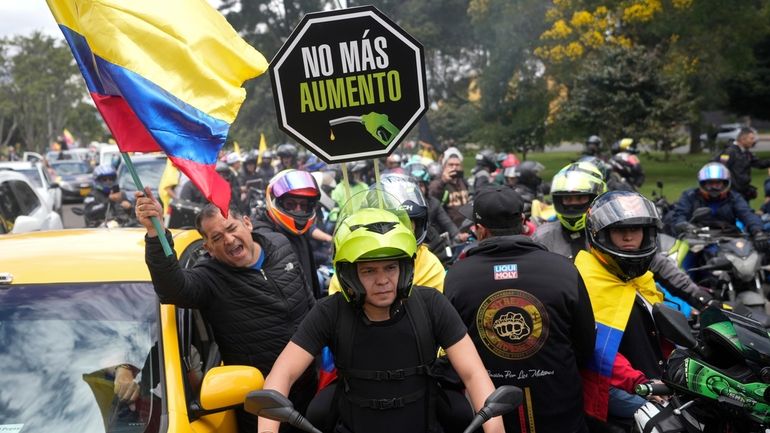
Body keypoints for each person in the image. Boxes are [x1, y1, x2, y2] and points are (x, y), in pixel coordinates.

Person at [258, 205, 504, 433]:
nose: (383, 280)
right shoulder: (330, 311)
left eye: (390, 267)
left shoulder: (431, 304)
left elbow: (473, 373)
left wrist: (494, 428)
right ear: (349, 274)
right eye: (369, 270)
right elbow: (281, 374)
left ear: (405, 269)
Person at [134, 191, 317, 433]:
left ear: (247, 223)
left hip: (313, 390)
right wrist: (156, 233)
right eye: (217, 237)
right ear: (208, 247)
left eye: (232, 228)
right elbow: (172, 289)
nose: (229, 240)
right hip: (264, 406)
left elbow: (309, 301)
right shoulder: (210, 278)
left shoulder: (280, 244)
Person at [444, 185, 595, 433]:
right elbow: (585, 343)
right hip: (560, 408)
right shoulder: (564, 269)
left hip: (492, 417)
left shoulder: (457, 276)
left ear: (480, 229)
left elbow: (453, 351)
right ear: (524, 222)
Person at [533, 162, 712, 310]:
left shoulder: (616, 228)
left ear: (598, 195)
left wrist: (701, 298)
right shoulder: (543, 237)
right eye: (567, 199)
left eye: (580, 198)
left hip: (619, 314)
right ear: (557, 201)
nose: (573, 205)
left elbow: (655, 263)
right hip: (565, 318)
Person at [575, 191, 670, 425]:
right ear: (602, 235)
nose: (629, 237)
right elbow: (595, 348)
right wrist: (640, 384)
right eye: (619, 231)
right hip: (614, 387)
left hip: (656, 381)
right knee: (666, 422)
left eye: (635, 230)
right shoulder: (584, 280)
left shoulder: (641, 279)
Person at [328, 173, 446, 294]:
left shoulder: (428, 264)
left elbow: (430, 307)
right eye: (369, 271)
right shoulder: (351, 260)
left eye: (407, 223)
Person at [252, 169, 323, 299]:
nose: (298, 210)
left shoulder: (299, 233)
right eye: (290, 204)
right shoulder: (262, 236)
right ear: (276, 201)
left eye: (303, 205)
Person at [670, 162, 764, 240]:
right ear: (703, 184)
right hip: (696, 239)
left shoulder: (734, 197)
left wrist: (758, 232)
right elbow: (680, 214)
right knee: (681, 261)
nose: (714, 187)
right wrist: (683, 226)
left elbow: (747, 214)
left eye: (718, 183)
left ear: (725, 184)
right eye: (710, 183)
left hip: (727, 237)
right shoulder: (690, 196)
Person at [716, 126, 769, 202]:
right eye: (751, 138)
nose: (753, 141)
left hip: (743, 193)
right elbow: (721, 169)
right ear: (743, 139)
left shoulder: (746, 153)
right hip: (732, 194)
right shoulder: (730, 152)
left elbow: (760, 164)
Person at [429, 147, 470, 227]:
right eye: (451, 165)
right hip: (449, 230)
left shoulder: (463, 181)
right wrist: (443, 181)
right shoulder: (438, 182)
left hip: (466, 228)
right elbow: (431, 197)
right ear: (444, 166)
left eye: (457, 165)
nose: (454, 167)